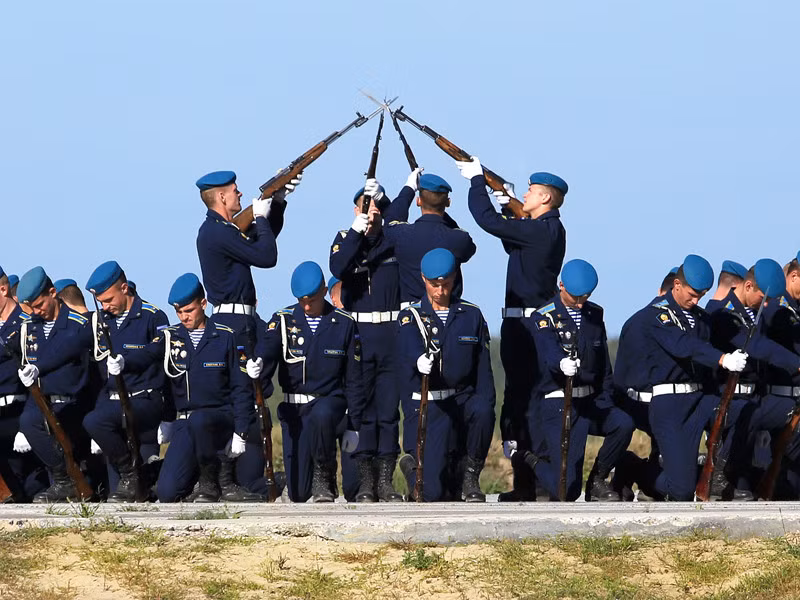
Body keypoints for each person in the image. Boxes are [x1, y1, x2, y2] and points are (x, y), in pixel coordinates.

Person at [456, 156, 568, 502]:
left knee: (527, 403)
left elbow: (486, 221)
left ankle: (534, 482)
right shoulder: (543, 229)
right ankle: (527, 483)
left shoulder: (540, 230)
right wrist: (509, 205)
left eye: (531, 191)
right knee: (522, 402)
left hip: (527, 327)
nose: (527, 194)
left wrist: (477, 181)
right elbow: (510, 242)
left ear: (545, 198)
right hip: (525, 323)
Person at [614, 255, 748, 501]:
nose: (696, 301)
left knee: (744, 412)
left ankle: (719, 475)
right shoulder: (657, 316)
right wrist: (722, 358)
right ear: (677, 284)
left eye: (701, 296)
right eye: (692, 294)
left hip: (700, 398)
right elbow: (684, 345)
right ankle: (633, 467)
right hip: (671, 403)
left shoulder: (701, 318)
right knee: (681, 490)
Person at [120, 273, 257, 502]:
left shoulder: (226, 337)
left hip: (219, 418)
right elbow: (147, 355)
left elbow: (241, 388)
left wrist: (241, 432)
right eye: (179, 312)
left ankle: (212, 482)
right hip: (186, 421)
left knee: (200, 420)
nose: (184, 317)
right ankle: (191, 477)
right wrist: (124, 362)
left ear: (203, 304)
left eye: (189, 310)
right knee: (167, 493)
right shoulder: (171, 337)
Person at [250, 261, 365, 502]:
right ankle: (295, 481)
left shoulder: (343, 322)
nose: (307, 306)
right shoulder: (283, 320)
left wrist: (353, 424)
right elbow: (269, 346)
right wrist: (259, 361)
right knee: (299, 493)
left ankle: (324, 475)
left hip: (329, 403)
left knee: (322, 414)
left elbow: (354, 378)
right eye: (302, 301)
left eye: (312, 300)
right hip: (296, 410)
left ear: (324, 291)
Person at [396, 248, 495, 502]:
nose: (440, 291)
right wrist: (419, 358)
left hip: (461, 400)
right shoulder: (411, 316)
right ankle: (412, 468)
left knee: (483, 410)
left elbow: (483, 370)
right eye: (434, 285)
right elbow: (408, 344)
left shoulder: (471, 315)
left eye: (446, 284)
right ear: (423, 279)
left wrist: (487, 407)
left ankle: (470, 476)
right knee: (432, 494)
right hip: (431, 405)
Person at [531, 259, 634, 501]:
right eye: (575, 297)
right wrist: (560, 363)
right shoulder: (544, 316)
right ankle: (530, 460)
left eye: (584, 297)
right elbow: (547, 350)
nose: (579, 303)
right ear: (561, 286)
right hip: (561, 402)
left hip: (590, 400)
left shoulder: (594, 314)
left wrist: (606, 397)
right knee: (566, 490)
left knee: (623, 424)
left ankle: (598, 479)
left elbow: (602, 362)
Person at [329, 182, 403, 502]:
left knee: (388, 411)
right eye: (365, 206)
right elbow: (338, 268)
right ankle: (364, 482)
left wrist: (387, 204)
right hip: (359, 334)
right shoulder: (345, 239)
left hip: (390, 334)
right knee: (361, 410)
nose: (371, 212)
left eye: (375, 207)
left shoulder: (394, 239)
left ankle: (385, 481)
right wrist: (356, 233)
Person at [82, 260, 168, 502]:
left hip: (144, 399)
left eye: (109, 300)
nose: (105, 306)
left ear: (124, 288)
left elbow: (157, 351)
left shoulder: (152, 316)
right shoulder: (102, 321)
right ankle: (131, 473)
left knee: (150, 491)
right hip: (113, 402)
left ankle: (134, 474)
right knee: (118, 494)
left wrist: (126, 362)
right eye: (101, 302)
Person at [14, 267, 94, 503]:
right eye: (32, 307)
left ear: (52, 293)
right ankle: (63, 481)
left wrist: (39, 367)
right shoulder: (30, 327)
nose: (36, 311)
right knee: (28, 421)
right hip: (45, 403)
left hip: (75, 405)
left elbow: (67, 349)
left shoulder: (79, 323)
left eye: (40, 304)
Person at [195, 170, 300, 349]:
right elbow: (267, 257)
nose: (240, 193)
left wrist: (277, 201)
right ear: (222, 197)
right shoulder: (219, 232)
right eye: (235, 190)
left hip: (240, 320)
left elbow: (263, 241)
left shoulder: (222, 230)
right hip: (233, 324)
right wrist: (260, 217)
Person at [382, 171, 476, 305]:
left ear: (418, 201)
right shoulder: (458, 238)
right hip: (450, 310)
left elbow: (391, 219)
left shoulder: (402, 234)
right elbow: (469, 248)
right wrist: (440, 209)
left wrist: (409, 188)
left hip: (412, 312)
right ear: (448, 202)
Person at [0, 266, 48, 502]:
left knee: (29, 487)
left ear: (3, 289)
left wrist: (29, 421)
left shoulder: (28, 322)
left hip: (21, 411)